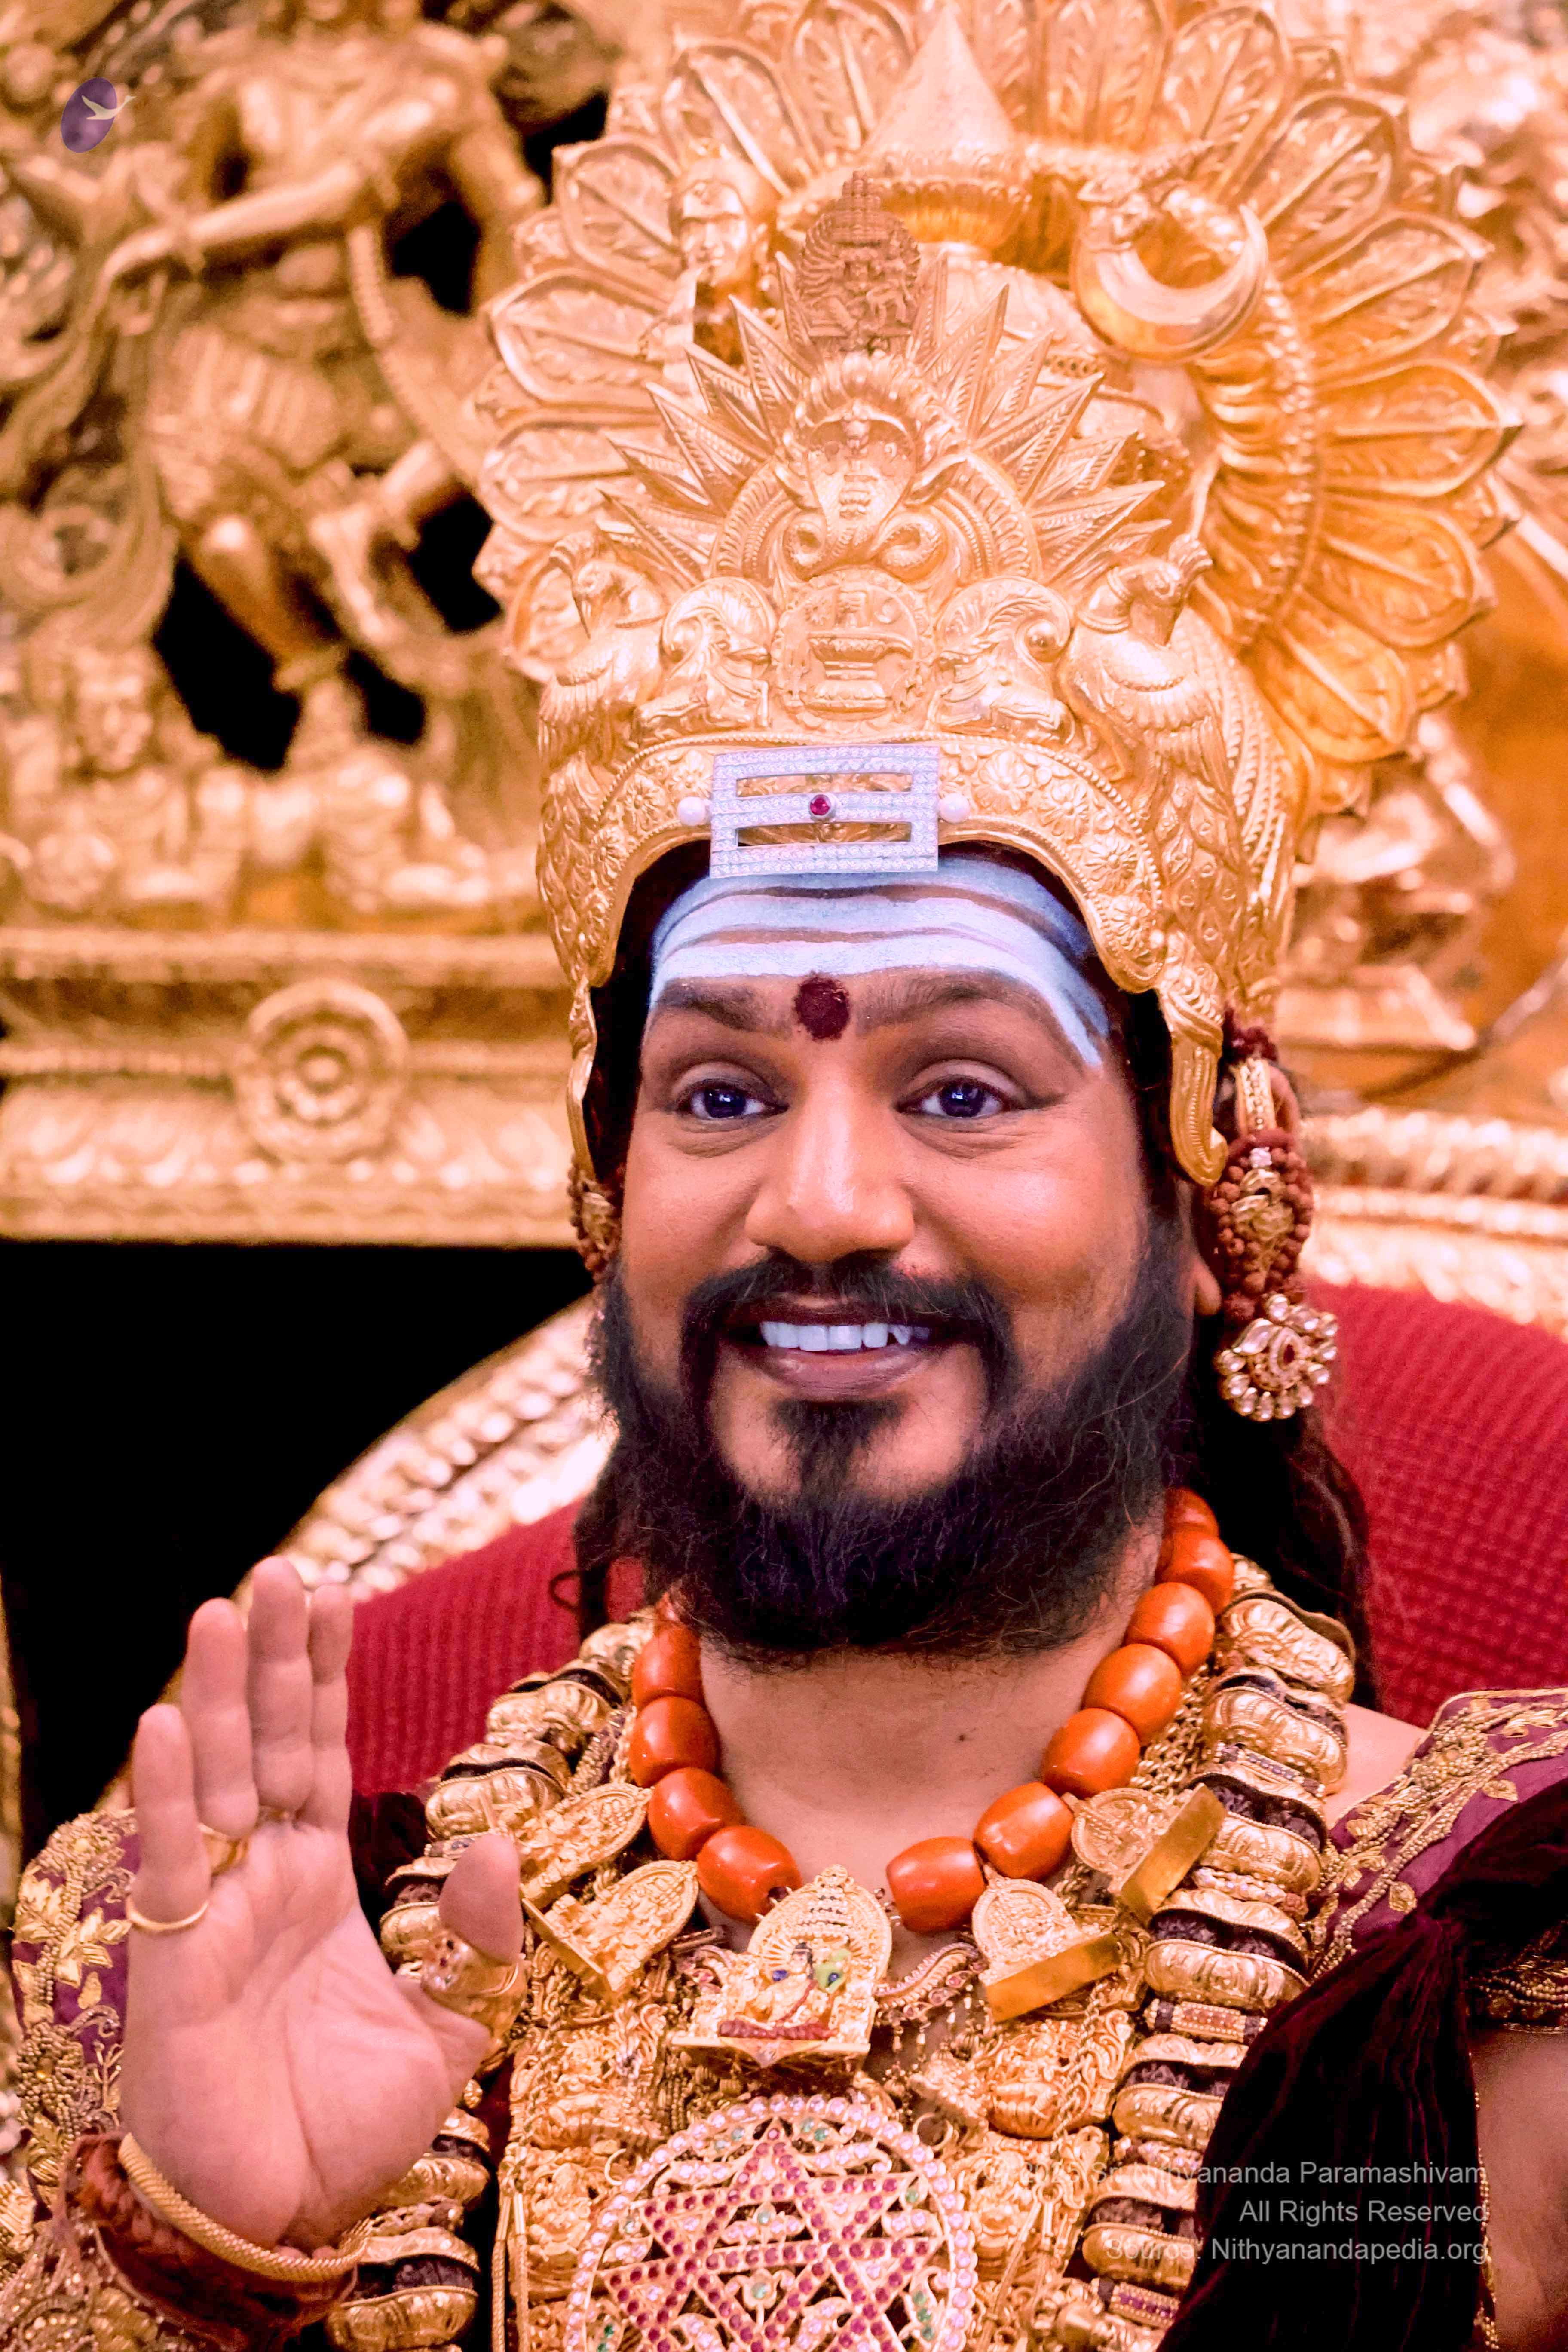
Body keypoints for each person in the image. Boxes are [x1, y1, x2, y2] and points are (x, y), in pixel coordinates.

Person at [6, 20, 1568, 2352]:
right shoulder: (255, 1956)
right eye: (723, 1095)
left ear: (1209, 1180)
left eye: (965, 1091)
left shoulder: (1449, 1982)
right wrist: (208, 2272)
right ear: (602, 1187)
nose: (824, 1205)